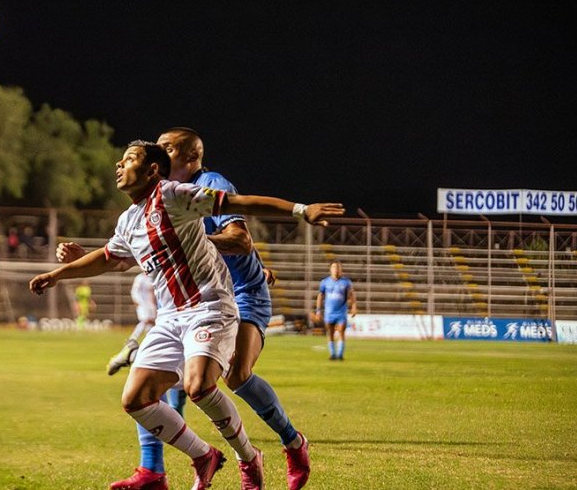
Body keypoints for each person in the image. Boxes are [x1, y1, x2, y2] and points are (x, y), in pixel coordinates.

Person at [31, 140, 343, 490]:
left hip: (211, 304)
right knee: (135, 399)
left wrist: (301, 210)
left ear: (155, 168)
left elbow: (241, 211)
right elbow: (109, 257)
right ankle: (200, 456)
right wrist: (57, 274)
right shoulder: (129, 219)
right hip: (170, 317)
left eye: (129, 159)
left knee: (204, 384)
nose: (119, 165)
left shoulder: (178, 194)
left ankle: (250, 456)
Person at [314, 261, 357, 361]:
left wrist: (354, 307)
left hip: (341, 311)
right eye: (334, 267)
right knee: (330, 332)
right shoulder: (325, 282)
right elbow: (320, 296)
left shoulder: (346, 282)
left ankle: (340, 354)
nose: (336, 269)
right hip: (329, 312)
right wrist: (318, 310)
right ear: (330, 270)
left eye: (338, 268)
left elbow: (351, 295)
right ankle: (333, 354)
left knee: (341, 331)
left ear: (341, 270)